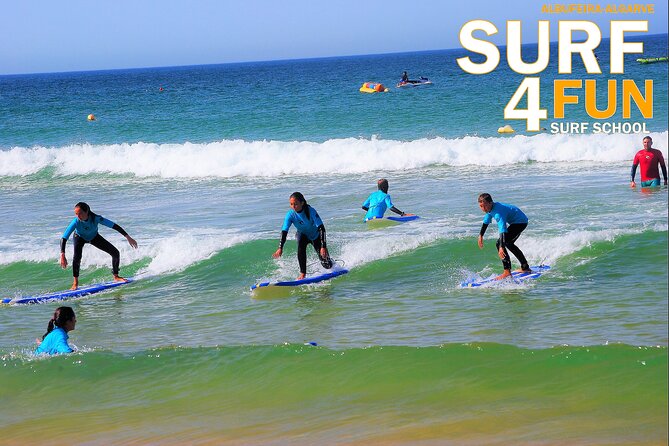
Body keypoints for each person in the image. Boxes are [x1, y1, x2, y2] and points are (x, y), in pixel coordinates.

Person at [60, 202, 138, 290]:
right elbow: (64, 237)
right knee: (77, 258)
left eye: (80, 213)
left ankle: (116, 277)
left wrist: (128, 237)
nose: (78, 216)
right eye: (76, 214)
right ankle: (75, 283)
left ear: (87, 212)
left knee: (115, 253)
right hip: (79, 237)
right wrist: (62, 254)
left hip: (94, 237)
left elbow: (113, 225)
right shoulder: (76, 222)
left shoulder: (96, 218)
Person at [273, 192, 334, 280]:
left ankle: (332, 264)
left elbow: (321, 228)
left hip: (315, 236)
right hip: (302, 235)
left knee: (327, 265)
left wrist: (323, 246)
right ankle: (303, 274)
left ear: (302, 203)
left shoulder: (311, 211)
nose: (293, 206)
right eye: (291, 204)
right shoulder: (290, 215)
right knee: (300, 248)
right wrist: (280, 247)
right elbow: (284, 231)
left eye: (296, 204)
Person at [477, 193, 531, 280]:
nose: (483, 209)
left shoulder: (498, 212)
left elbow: (502, 228)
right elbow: (486, 221)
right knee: (509, 243)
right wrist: (481, 235)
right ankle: (525, 267)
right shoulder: (490, 209)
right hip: (516, 221)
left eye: (484, 206)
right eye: (481, 206)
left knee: (500, 243)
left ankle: (507, 271)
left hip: (520, 222)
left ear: (490, 203)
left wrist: (501, 247)